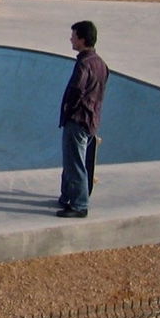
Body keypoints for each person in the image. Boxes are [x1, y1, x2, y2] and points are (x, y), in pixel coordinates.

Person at [56, 20, 109, 218]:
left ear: (82, 39)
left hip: (78, 119)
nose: (71, 39)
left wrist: (68, 110)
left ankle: (79, 204)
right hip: (91, 119)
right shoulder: (101, 64)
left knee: (75, 162)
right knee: (73, 160)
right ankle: (67, 197)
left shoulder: (84, 64)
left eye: (74, 36)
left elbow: (76, 90)